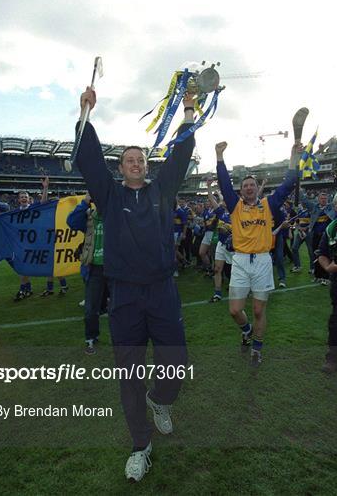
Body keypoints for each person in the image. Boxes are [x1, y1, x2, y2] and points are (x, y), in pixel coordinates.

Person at [75, 85, 195, 482]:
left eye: (140, 158)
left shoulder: (163, 191)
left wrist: (190, 112)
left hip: (162, 290)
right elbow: (89, 161)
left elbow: (180, 156)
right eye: (128, 159)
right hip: (124, 294)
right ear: (121, 167)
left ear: (146, 165)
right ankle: (139, 446)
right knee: (129, 373)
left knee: (176, 363)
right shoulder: (109, 196)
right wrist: (85, 114)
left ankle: (161, 401)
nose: (135, 163)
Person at [215, 140, 302, 367]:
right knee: (235, 310)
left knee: (258, 309)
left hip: (263, 260)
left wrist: (294, 157)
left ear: (256, 188)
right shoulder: (235, 206)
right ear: (241, 190)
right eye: (246, 185)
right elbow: (224, 185)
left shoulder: (269, 204)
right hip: (241, 261)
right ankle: (247, 330)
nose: (249, 188)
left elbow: (290, 183)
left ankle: (257, 348)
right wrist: (219, 157)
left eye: (252, 185)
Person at [67, 192, 106, 355]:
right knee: (91, 309)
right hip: (94, 268)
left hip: (116, 269)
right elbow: (71, 222)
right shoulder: (89, 215)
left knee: (122, 306)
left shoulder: (118, 215)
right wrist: (84, 202)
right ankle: (91, 338)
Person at [318, 199, 337, 374]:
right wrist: (327, 266)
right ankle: (332, 358)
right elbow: (322, 253)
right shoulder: (331, 228)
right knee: (335, 321)